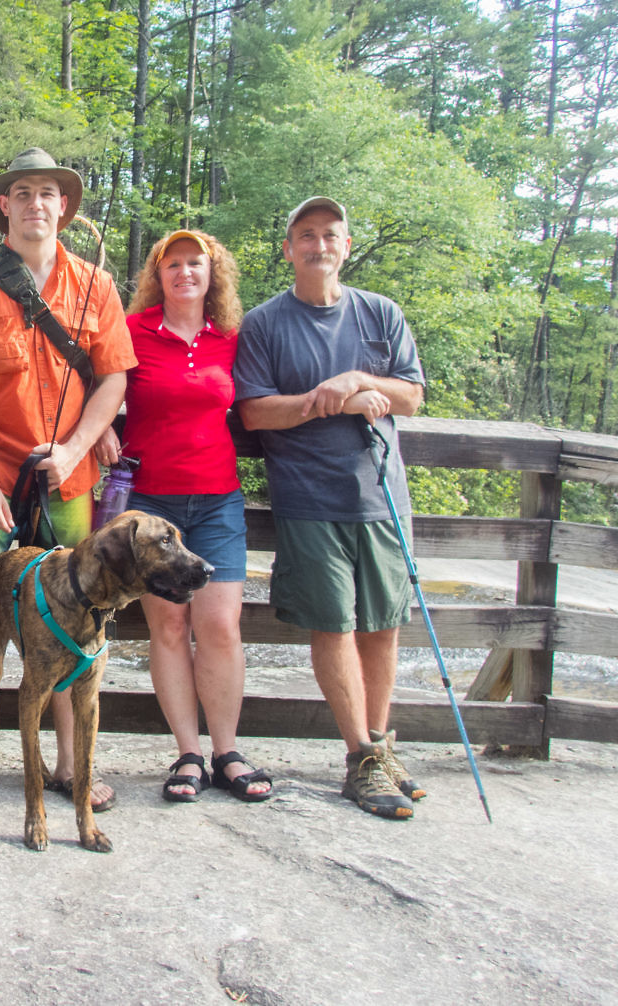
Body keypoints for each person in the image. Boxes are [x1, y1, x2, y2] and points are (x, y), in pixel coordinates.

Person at [0, 148, 136, 807]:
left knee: (75, 624)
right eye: (23, 192)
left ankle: (72, 764)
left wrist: (73, 450)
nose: (36, 203)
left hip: (65, 487)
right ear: (4, 206)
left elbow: (115, 377)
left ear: (63, 208)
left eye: (48, 193)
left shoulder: (95, 285)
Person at [233, 196, 427, 820]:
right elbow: (255, 412)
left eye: (330, 235)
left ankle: (379, 748)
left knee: (383, 624)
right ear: (289, 249)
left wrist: (358, 383)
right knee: (335, 625)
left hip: (381, 495)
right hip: (309, 500)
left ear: (346, 246)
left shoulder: (381, 313)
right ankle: (359, 757)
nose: (319, 245)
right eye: (306, 235)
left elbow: (413, 395)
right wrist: (328, 398)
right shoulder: (265, 323)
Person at [96, 229, 272, 804]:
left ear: (212, 273)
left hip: (218, 498)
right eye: (172, 264)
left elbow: (263, 397)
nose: (184, 273)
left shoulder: (233, 338)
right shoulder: (134, 330)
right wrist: (97, 432)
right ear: (158, 273)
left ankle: (228, 751)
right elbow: (95, 386)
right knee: (168, 628)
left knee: (219, 627)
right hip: (152, 508)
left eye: (196, 263)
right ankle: (188, 753)